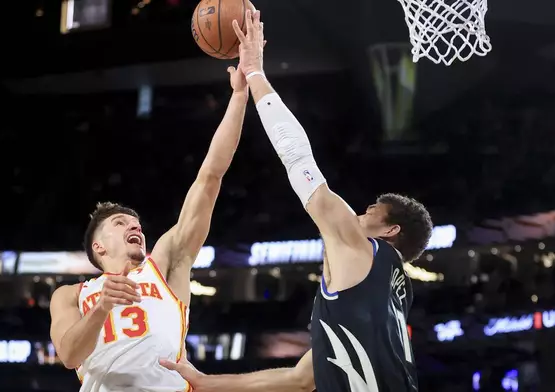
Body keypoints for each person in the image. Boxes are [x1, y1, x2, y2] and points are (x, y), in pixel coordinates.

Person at [161, 9, 433, 392]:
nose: (356, 214)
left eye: (369, 211)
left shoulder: (362, 249)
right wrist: (205, 383)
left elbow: (299, 159)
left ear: (389, 230)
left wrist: (254, 72)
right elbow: (300, 379)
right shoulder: (391, 293)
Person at [49, 65, 250, 392]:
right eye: (121, 223)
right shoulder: (71, 296)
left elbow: (209, 177)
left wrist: (239, 96)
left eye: (137, 224)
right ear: (99, 247)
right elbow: (70, 355)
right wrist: (102, 307)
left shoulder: (166, 264)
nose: (135, 226)